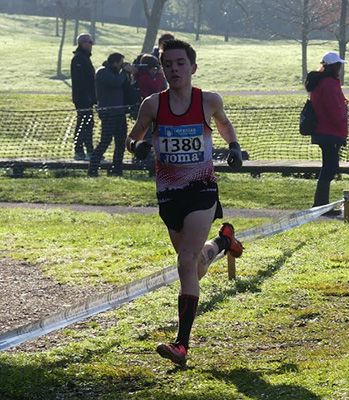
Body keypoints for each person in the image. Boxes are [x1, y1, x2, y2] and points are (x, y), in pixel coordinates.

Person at [125, 39, 245, 367]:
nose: (174, 69)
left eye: (181, 63)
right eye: (168, 65)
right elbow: (132, 136)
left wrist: (233, 146)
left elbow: (222, 123)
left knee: (185, 261)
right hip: (169, 194)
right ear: (162, 69)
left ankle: (181, 345)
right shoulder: (152, 105)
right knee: (192, 265)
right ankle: (223, 241)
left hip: (201, 190)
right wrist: (136, 147)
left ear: (193, 67)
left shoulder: (208, 100)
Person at [305, 51, 349, 215]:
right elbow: (334, 110)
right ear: (333, 66)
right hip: (330, 131)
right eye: (338, 65)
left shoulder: (321, 83)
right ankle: (321, 205)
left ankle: (320, 204)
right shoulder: (329, 84)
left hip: (325, 131)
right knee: (330, 168)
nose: (340, 68)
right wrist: (343, 115)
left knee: (328, 167)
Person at [88, 53, 138, 176]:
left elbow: (127, 86)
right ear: (114, 63)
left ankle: (117, 169)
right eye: (121, 63)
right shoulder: (102, 72)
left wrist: (130, 74)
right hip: (109, 113)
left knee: (121, 143)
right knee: (105, 141)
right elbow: (116, 83)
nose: (122, 65)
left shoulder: (117, 73)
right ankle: (92, 168)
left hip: (119, 113)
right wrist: (124, 71)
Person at [131, 53, 167, 173]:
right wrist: (160, 75)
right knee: (147, 137)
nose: (155, 70)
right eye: (153, 68)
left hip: (156, 110)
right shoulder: (143, 77)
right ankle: (148, 164)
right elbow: (155, 87)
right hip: (147, 111)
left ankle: (149, 163)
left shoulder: (144, 76)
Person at [70, 33, 96, 161]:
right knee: (83, 124)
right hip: (82, 99)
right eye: (89, 42)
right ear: (82, 43)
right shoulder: (78, 59)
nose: (91, 45)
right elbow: (81, 81)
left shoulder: (84, 58)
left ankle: (89, 150)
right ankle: (79, 151)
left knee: (88, 124)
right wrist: (87, 96)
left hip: (88, 98)